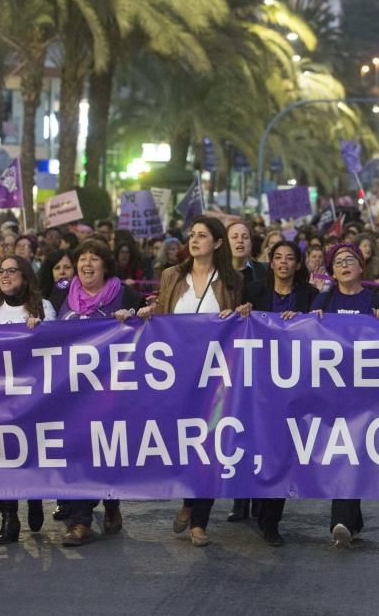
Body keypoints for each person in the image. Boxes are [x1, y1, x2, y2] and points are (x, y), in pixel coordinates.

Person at [137, 216, 241, 547]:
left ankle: (200, 520)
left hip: (215, 376)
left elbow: (240, 322)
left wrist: (244, 313)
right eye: (192, 235)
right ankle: (186, 498)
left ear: (218, 243)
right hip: (177, 374)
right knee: (182, 442)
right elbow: (162, 313)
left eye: (202, 235)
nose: (194, 240)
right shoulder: (171, 275)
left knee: (209, 444)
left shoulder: (231, 279)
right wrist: (147, 313)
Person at [52, 239, 144, 546]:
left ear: (105, 265)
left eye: (94, 259)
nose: (86, 264)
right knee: (78, 451)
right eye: (82, 259)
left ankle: (112, 501)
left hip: (113, 390)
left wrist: (134, 315)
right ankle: (80, 521)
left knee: (107, 449)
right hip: (72, 392)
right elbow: (45, 331)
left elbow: (151, 322)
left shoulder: (124, 293)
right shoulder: (62, 292)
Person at [231, 240, 319, 545]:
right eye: (277, 258)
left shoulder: (309, 295)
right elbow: (237, 326)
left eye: (289, 258)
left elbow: (321, 332)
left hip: (291, 386)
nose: (283, 263)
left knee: (280, 450)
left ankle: (271, 520)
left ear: (298, 264)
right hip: (256, 382)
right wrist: (243, 313)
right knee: (255, 445)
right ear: (271, 262)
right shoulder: (254, 290)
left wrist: (308, 321)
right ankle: (247, 500)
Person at [0, 257, 55, 545]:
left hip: (33, 396)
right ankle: (8, 518)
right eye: (0, 271)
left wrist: (40, 329)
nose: (4, 276)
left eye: (11, 271)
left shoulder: (43, 307)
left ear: (25, 277)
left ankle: (34, 497)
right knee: (4, 455)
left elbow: (60, 347)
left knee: (30, 452)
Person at [311, 242, 379, 549]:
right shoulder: (325, 298)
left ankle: (345, 520)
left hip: (365, 393)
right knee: (339, 454)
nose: (344, 265)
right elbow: (304, 334)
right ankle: (347, 521)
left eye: (350, 260)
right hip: (331, 393)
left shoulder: (375, 299)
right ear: (332, 271)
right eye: (338, 262)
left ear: (361, 267)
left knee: (354, 453)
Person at [228, 221, 268, 286]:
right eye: (234, 237)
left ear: (251, 243)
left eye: (245, 237)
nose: (240, 240)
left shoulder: (265, 271)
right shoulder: (216, 273)